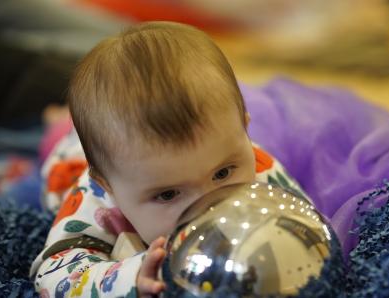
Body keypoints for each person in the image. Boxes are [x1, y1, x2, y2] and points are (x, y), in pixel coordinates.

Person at [30, 21, 307, 297]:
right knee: (59, 138)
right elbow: (52, 274)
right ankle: (59, 121)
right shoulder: (96, 203)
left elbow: (301, 222)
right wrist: (131, 277)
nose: (209, 207)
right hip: (71, 156)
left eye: (222, 174)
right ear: (109, 186)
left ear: (245, 132)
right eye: (168, 194)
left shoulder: (256, 164)